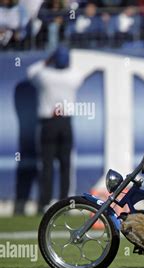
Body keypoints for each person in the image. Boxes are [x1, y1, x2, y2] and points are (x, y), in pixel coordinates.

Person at [27, 46, 84, 214]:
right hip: (65, 123)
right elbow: (79, 71)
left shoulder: (44, 75)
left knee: (47, 165)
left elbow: (31, 71)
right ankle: (65, 202)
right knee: (66, 165)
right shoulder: (74, 77)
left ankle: (45, 202)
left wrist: (47, 60)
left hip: (48, 123)